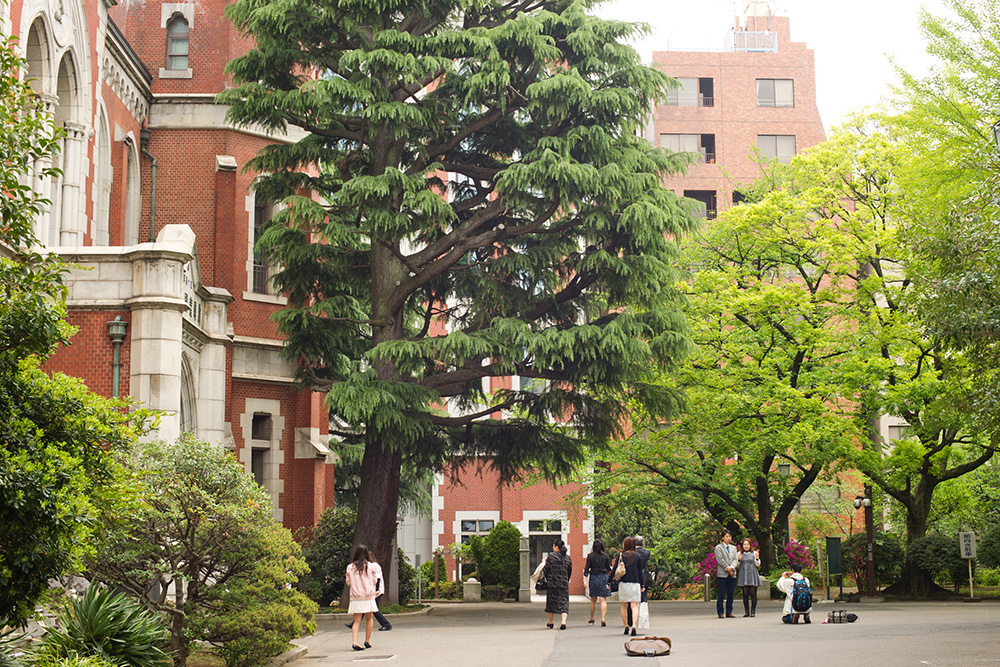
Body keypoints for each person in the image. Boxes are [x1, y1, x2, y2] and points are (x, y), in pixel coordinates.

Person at [345, 553, 392, 632]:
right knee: (366, 608)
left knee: (374, 609)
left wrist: (376, 590)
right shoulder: (368, 566)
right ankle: (354, 623)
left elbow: (378, 579)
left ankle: (386, 624)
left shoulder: (374, 566)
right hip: (371, 591)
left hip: (376, 591)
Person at [345, 544, 379, 651]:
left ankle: (355, 642)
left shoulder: (350, 567)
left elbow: (348, 582)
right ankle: (367, 641)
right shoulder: (370, 566)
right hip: (368, 596)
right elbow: (374, 581)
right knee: (369, 619)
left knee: (356, 621)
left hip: (356, 596)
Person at [611, 536, 643, 636]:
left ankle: (626, 626)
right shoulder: (637, 556)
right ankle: (634, 625)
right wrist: (642, 585)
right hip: (635, 584)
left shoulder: (621, 555)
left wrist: (608, 581)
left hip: (624, 584)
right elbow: (640, 572)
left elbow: (614, 569)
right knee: (634, 606)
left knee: (624, 606)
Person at [543, 539, 572, 630]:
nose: (553, 547)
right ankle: (563, 622)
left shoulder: (551, 557)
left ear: (556, 547)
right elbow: (569, 571)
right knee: (564, 603)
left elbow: (546, 570)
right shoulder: (568, 558)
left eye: (553, 546)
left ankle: (551, 622)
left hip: (552, 584)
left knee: (551, 603)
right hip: (563, 584)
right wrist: (566, 580)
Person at [583, 539, 611, 626]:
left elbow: (587, 569)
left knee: (593, 600)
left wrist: (584, 581)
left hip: (594, 578)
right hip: (603, 577)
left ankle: (592, 617)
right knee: (603, 599)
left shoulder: (590, 556)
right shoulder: (606, 556)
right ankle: (603, 618)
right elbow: (608, 569)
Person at [626, 535, 651, 627]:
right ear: (643, 543)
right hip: (644, 576)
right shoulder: (647, 552)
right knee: (643, 598)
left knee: (631, 600)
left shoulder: (631, 553)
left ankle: (630, 620)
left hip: (633, 576)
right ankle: (641, 618)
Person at [713, 529, 738, 618]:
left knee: (730, 594)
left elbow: (736, 559)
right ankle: (720, 612)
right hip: (722, 573)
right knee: (721, 593)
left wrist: (732, 567)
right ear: (723, 537)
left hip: (732, 573)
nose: (728, 538)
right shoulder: (718, 548)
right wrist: (727, 568)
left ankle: (729, 611)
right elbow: (720, 560)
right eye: (726, 536)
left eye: (729, 536)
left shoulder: (733, 548)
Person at [735, 538, 761, 617]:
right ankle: (746, 611)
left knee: (753, 593)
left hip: (752, 573)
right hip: (743, 574)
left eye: (747, 544)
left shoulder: (754, 553)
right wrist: (739, 560)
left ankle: (753, 611)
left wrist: (757, 558)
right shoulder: (739, 553)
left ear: (750, 545)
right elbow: (737, 565)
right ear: (742, 546)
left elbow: (757, 564)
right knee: (745, 593)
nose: (746, 546)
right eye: (744, 544)